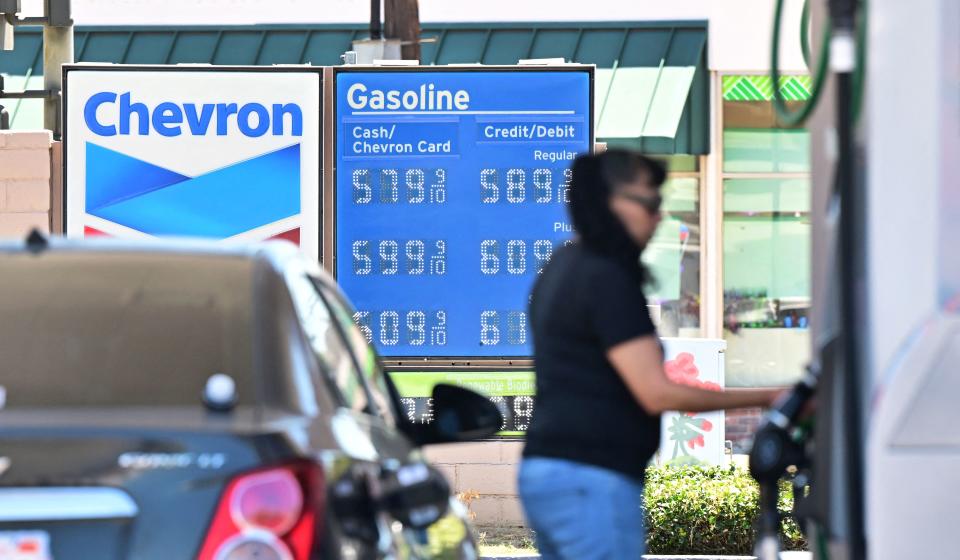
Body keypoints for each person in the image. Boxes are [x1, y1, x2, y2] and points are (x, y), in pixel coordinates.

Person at [518, 150, 780, 560]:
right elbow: (655, 393)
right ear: (609, 201)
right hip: (593, 480)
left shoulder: (561, 265)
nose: (659, 218)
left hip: (548, 472)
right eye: (651, 203)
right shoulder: (605, 277)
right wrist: (768, 397)